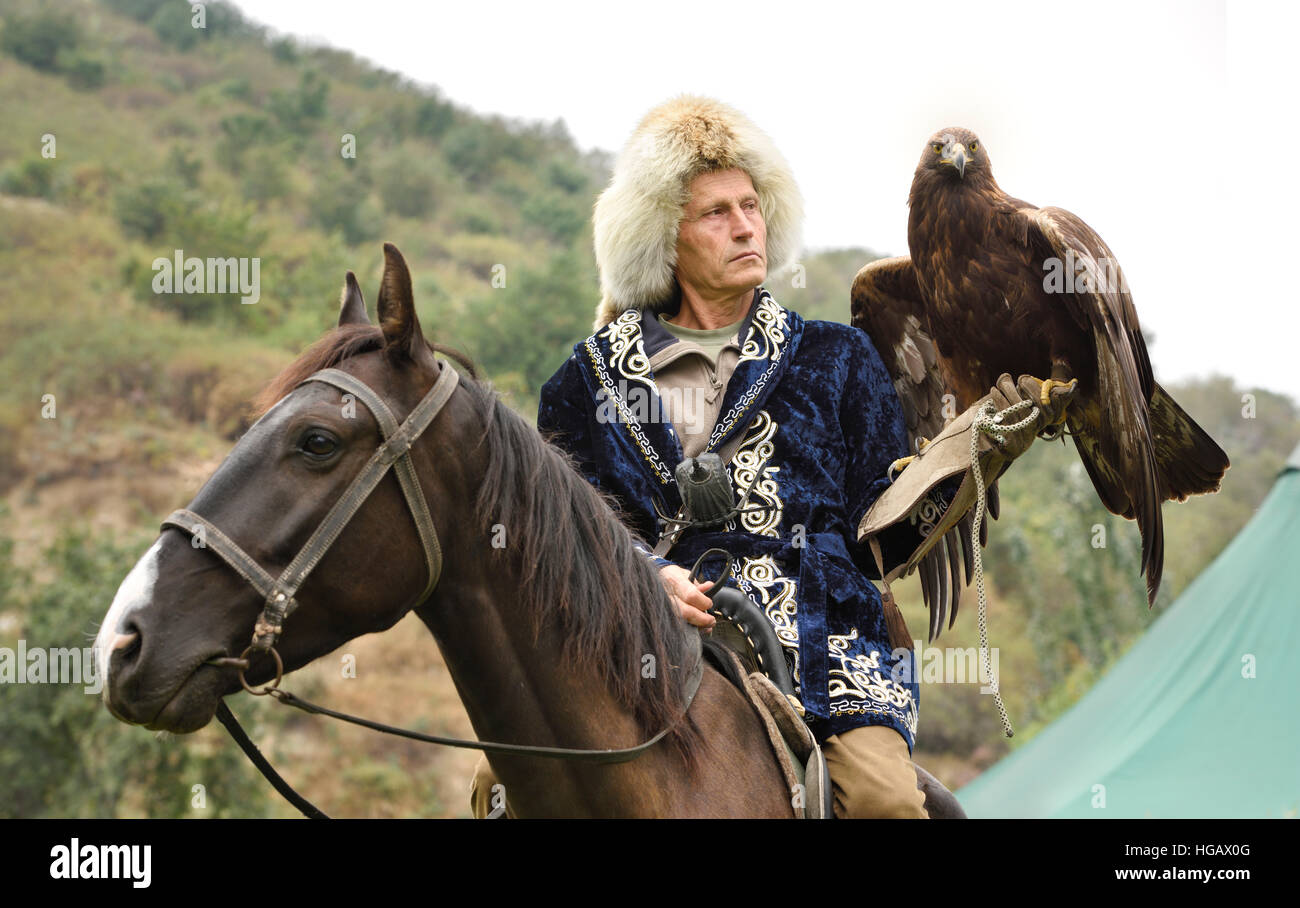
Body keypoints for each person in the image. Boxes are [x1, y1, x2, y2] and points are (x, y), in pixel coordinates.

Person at [470, 95, 1055, 818]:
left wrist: (975, 452)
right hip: (634, 643)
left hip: (821, 652)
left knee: (884, 806)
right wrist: (646, 576)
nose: (746, 225)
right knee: (497, 793)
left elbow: (884, 537)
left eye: (752, 205)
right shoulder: (583, 384)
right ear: (664, 236)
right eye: (716, 212)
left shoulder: (838, 358)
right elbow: (564, 539)